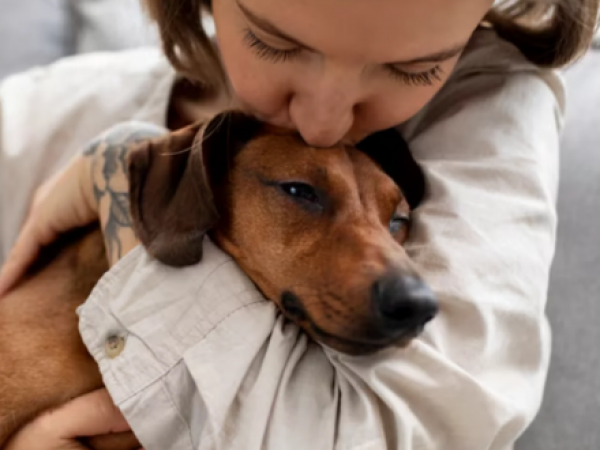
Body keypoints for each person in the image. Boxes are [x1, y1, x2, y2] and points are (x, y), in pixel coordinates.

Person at [0, 0, 598, 448]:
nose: (324, 122)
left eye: (413, 68)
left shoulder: (488, 113)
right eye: (275, 42)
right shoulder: (31, 114)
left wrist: (118, 173)